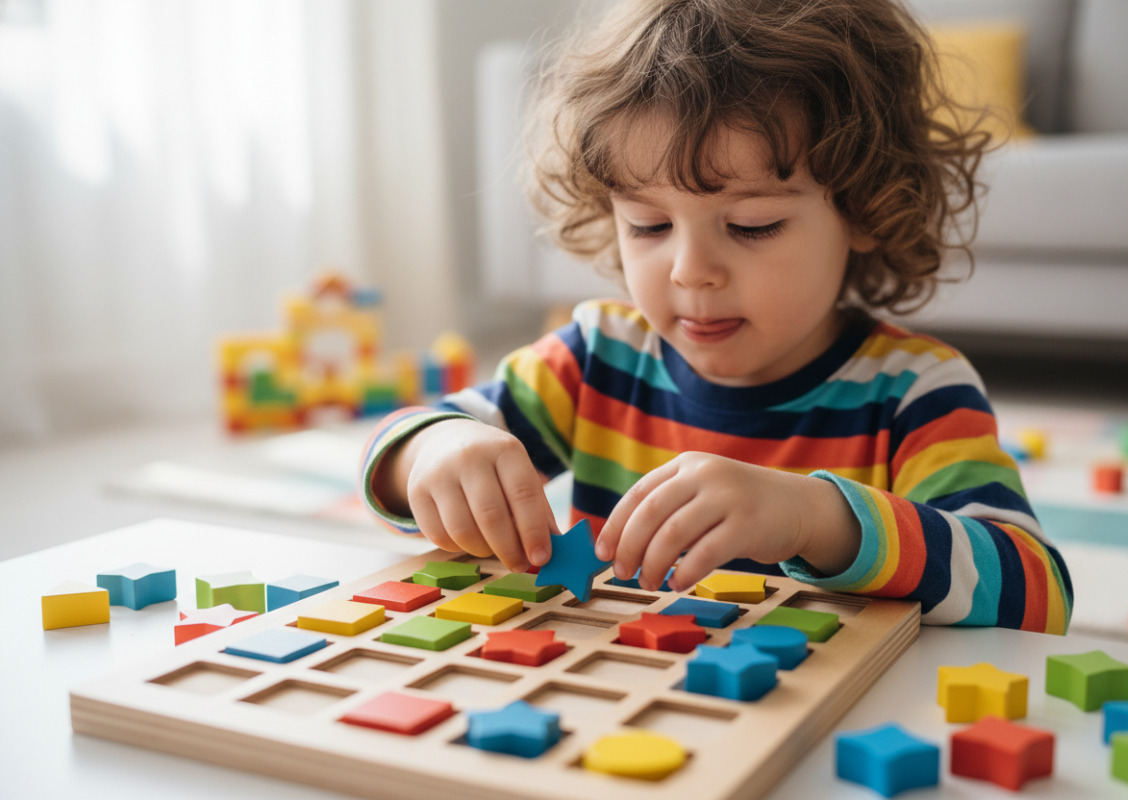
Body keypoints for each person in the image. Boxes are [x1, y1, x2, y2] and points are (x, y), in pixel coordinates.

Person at [360, 0, 1072, 632]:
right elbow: (393, 457)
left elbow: (1035, 589)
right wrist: (430, 453)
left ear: (864, 206)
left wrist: (813, 519)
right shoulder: (596, 358)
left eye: (753, 225)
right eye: (647, 224)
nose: (689, 270)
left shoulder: (916, 392)